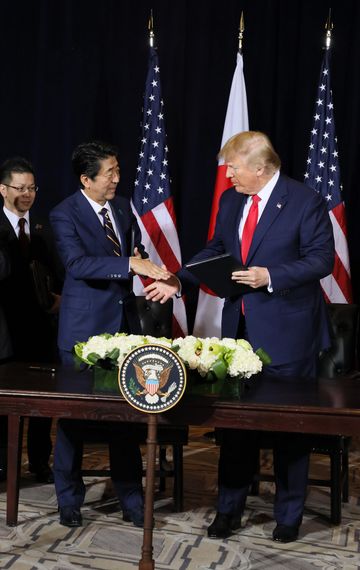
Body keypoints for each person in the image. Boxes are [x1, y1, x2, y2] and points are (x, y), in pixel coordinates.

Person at [144, 131, 335, 543]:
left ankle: (288, 516)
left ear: (260, 168)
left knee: (290, 431)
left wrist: (271, 276)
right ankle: (228, 511)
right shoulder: (231, 201)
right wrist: (179, 280)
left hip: (289, 335)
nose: (227, 175)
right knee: (235, 429)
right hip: (238, 336)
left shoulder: (306, 202)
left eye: (233, 167)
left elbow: (321, 260)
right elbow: (215, 249)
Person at [49, 140, 171, 528]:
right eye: (110, 173)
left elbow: (128, 256)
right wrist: (129, 263)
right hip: (83, 332)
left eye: (119, 170)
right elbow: (78, 263)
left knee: (125, 420)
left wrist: (143, 265)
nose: (118, 178)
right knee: (72, 421)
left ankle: (130, 497)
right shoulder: (63, 213)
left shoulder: (121, 208)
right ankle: (69, 499)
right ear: (86, 179)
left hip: (124, 331)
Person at [0, 157, 63, 484]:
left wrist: (59, 301)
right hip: (5, 333)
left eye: (32, 188)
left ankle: (39, 461)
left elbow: (57, 276)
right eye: (20, 188)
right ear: (3, 189)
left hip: (40, 331)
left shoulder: (43, 231)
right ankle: (2, 466)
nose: (27, 194)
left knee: (41, 404)